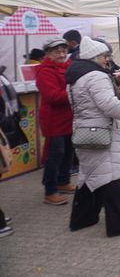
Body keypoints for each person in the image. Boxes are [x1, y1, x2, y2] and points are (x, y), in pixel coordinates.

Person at [66, 36, 120, 237]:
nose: (107, 60)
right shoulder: (95, 76)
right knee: (110, 177)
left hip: (84, 131)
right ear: (94, 56)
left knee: (90, 175)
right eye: (104, 56)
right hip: (99, 132)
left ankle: (83, 218)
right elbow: (108, 105)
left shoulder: (76, 77)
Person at [35, 38, 74, 205]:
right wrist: (74, 93)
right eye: (57, 51)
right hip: (53, 119)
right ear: (48, 54)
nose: (61, 54)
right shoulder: (45, 71)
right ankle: (49, 191)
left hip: (67, 117)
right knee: (55, 154)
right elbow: (53, 97)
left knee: (68, 151)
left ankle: (63, 181)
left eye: (63, 50)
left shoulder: (67, 67)